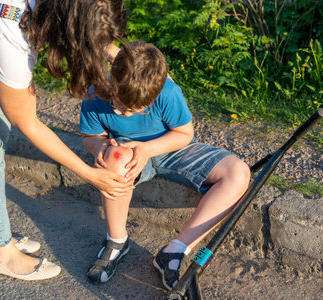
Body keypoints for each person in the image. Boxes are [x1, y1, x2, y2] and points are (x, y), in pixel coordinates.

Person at [0, 0, 134, 280]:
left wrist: (121, 56)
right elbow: (28, 124)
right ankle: (3, 254)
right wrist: (91, 174)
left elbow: (79, 20)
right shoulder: (11, 35)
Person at [80, 41, 251, 289]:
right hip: (126, 153)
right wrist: (100, 148)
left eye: (132, 110)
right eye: (117, 106)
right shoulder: (95, 94)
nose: (122, 115)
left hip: (170, 148)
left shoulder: (167, 92)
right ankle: (117, 240)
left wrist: (146, 149)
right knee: (114, 159)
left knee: (238, 172)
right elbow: (90, 138)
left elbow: (183, 134)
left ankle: (175, 251)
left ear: (153, 97)